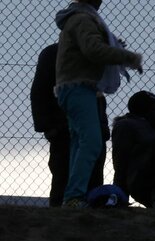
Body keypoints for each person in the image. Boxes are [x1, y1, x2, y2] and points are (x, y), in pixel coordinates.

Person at [54, 0, 143, 207]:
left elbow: (91, 47)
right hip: (78, 87)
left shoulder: (76, 20)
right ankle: (74, 196)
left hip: (69, 88)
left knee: (79, 142)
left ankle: (72, 196)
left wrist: (112, 48)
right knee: (92, 142)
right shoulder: (85, 20)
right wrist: (127, 57)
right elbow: (93, 50)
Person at [30, 43, 109, 207]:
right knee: (63, 177)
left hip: (89, 129)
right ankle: (62, 220)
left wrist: (102, 127)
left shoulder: (91, 53)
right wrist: (49, 126)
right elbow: (40, 91)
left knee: (93, 180)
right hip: (63, 129)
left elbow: (98, 95)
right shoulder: (54, 53)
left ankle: (87, 220)